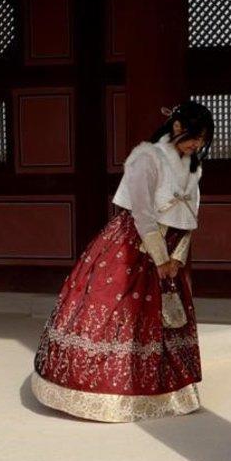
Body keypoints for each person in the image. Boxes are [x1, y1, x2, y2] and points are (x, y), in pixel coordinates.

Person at [31, 101, 214, 422]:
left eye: (203, 139)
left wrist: (176, 258)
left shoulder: (194, 166)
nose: (197, 144)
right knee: (112, 309)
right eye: (195, 136)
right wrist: (158, 257)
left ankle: (168, 395)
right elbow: (141, 212)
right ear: (176, 127)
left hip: (170, 251)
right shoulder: (147, 158)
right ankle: (105, 396)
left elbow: (190, 216)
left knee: (167, 319)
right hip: (133, 244)